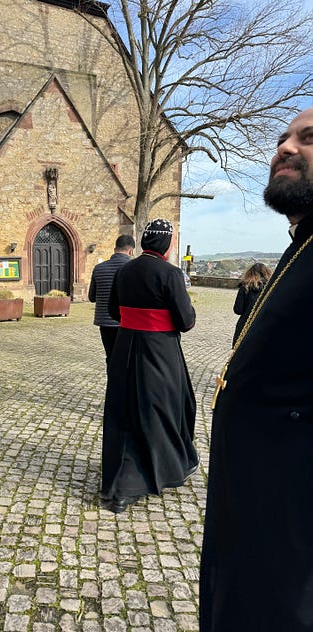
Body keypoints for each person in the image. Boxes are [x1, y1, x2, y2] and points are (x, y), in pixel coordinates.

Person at [200, 109, 313, 631]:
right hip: (253, 513)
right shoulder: (300, 247)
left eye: (308, 139)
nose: (285, 148)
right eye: (283, 138)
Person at [101, 219, 198, 513]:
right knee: (161, 409)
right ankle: (135, 482)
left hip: (125, 347)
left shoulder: (124, 270)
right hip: (159, 351)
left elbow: (111, 311)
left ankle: (120, 476)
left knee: (125, 409)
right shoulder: (171, 274)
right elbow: (186, 321)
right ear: (166, 245)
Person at [88, 234, 135, 365]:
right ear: (130, 251)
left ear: (115, 249)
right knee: (127, 359)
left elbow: (91, 297)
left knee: (111, 357)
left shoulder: (99, 268)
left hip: (105, 321)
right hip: (128, 322)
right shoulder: (134, 268)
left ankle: (112, 384)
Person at [232, 262, 272, 345]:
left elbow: (238, 310)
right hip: (266, 326)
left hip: (246, 325)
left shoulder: (245, 287)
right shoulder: (272, 288)